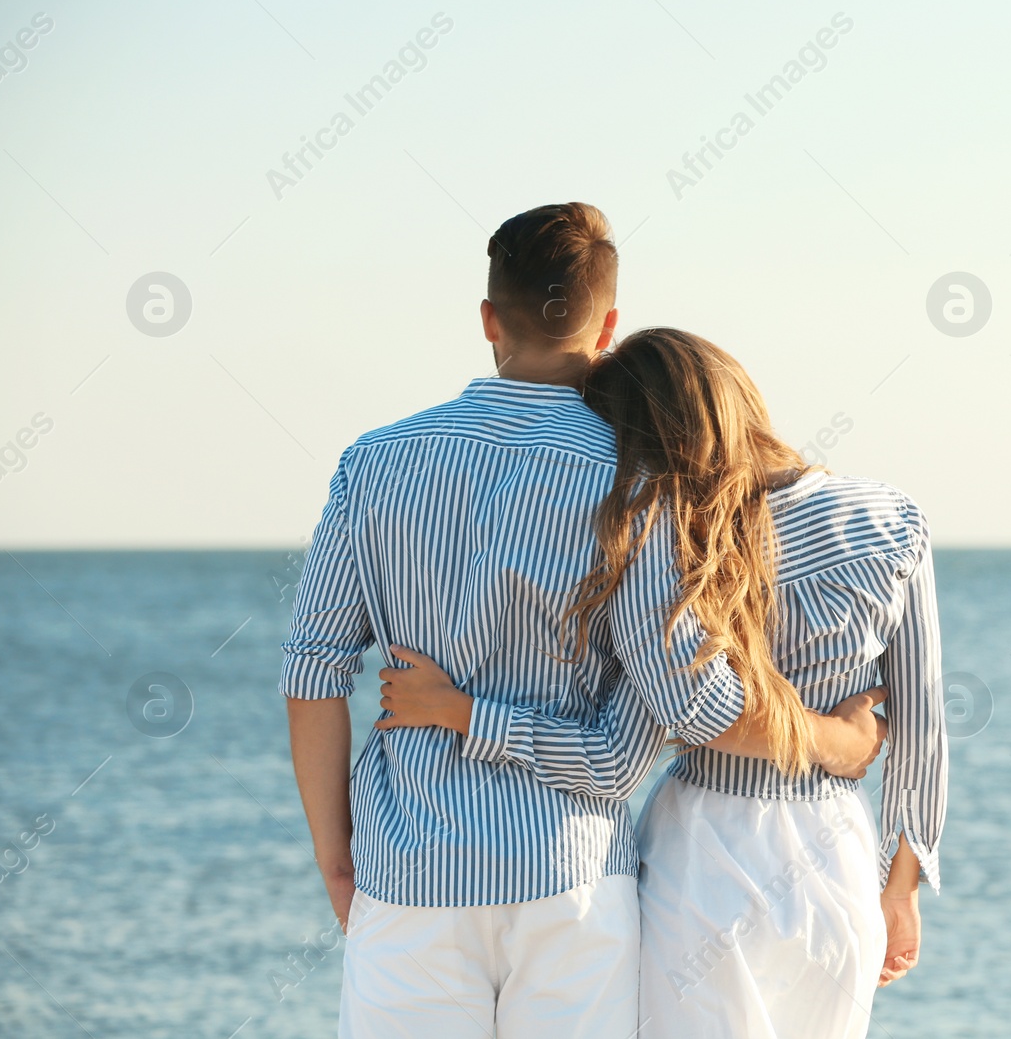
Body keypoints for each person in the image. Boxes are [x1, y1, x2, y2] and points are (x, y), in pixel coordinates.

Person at [280, 204, 884, 1039]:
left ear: (489, 318)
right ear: (607, 328)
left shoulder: (373, 463)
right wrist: (838, 739)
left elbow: (312, 667)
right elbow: (694, 709)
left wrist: (335, 854)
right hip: (569, 881)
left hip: (407, 871)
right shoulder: (639, 483)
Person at [380, 328, 948, 1038]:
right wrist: (902, 888)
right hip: (838, 855)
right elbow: (923, 730)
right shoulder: (893, 519)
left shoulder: (682, 547)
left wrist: (465, 710)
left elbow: (637, 741)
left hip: (704, 854)